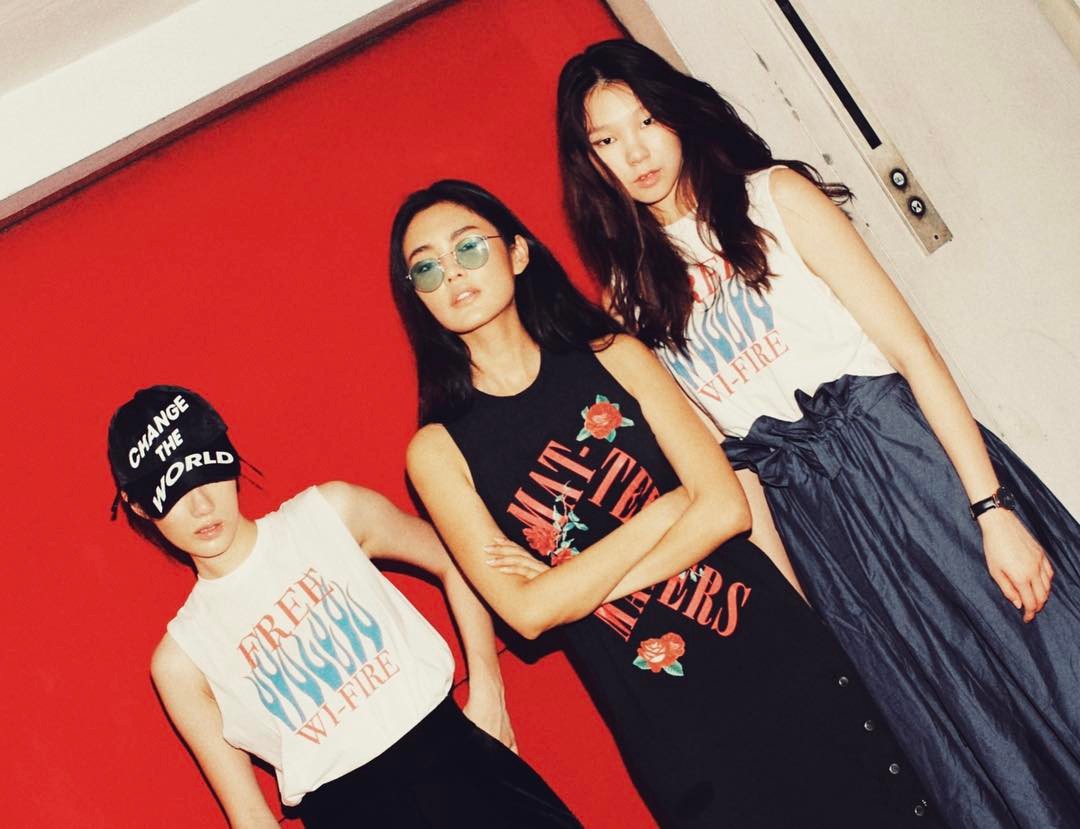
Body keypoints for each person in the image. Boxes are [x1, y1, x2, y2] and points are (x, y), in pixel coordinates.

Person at [555, 38, 1080, 829]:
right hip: (822, 531)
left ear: (678, 116)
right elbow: (734, 473)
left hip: (911, 470)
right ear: (590, 161)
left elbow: (912, 351)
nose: (635, 152)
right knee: (956, 727)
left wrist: (991, 506)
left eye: (647, 121)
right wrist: (803, 621)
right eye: (606, 139)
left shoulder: (775, 197)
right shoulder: (631, 300)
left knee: (1047, 668)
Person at [392, 179, 943, 828]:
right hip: (669, 713)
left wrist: (569, 583)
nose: (452, 273)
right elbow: (529, 614)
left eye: (468, 248)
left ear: (516, 252)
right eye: (426, 267)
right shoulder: (438, 451)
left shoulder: (614, 356)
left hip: (771, 642)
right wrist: (665, 509)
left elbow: (726, 510)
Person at [107, 385, 581, 828]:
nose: (201, 505)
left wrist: (489, 692)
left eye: (204, 472)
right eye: (172, 492)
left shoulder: (329, 514)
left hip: (463, 766)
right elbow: (250, 816)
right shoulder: (183, 659)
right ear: (139, 507)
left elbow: (459, 560)